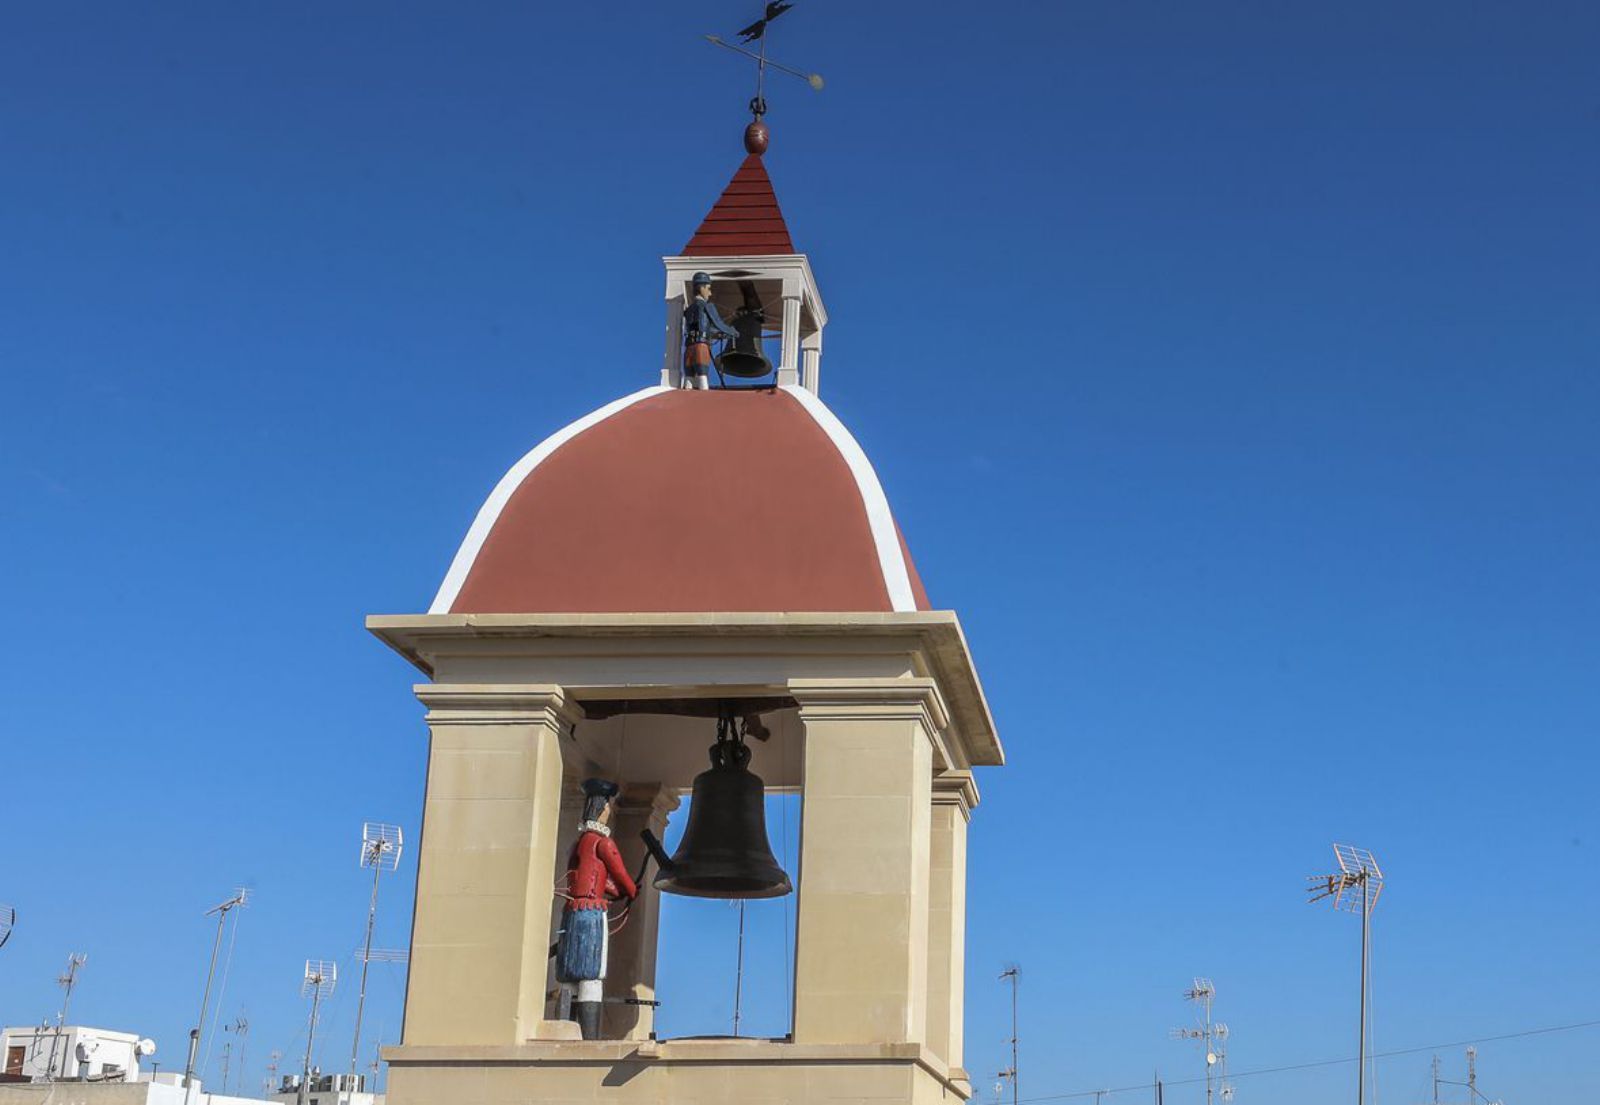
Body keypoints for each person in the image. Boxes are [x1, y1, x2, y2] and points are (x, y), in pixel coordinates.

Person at [554, 778, 637, 1039]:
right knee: (591, 975)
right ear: (602, 809)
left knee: (569, 975)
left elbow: (584, 875)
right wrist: (631, 890)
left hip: (571, 913)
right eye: (609, 806)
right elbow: (620, 873)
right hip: (591, 915)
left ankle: (565, 1029)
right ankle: (590, 1038)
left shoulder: (578, 844)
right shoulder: (603, 843)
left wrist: (613, 890)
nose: (610, 811)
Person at [682, 272, 738, 389]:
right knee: (702, 377)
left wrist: (716, 333)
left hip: (688, 347)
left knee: (689, 379)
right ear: (701, 287)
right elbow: (718, 323)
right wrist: (733, 332)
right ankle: (704, 401)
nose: (710, 293)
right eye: (708, 289)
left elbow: (702, 326)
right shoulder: (708, 306)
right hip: (701, 346)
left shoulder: (689, 310)